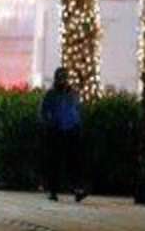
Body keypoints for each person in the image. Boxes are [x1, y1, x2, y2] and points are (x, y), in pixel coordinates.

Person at [40, 67, 86, 202]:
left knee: (74, 162)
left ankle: (77, 189)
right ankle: (53, 190)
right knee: (55, 162)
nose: (63, 81)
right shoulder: (51, 95)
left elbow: (77, 110)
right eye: (60, 78)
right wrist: (50, 124)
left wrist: (77, 125)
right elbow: (44, 112)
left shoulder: (72, 93)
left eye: (65, 78)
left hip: (72, 131)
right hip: (56, 131)